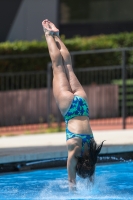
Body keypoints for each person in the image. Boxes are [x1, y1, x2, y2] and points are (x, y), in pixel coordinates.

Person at [42, 19, 104, 190]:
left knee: (68, 65)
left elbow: (91, 169)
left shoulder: (91, 149)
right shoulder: (75, 151)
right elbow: (71, 184)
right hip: (68, 107)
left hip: (82, 104)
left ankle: (57, 36)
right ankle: (48, 34)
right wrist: (74, 188)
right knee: (57, 66)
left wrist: (91, 179)